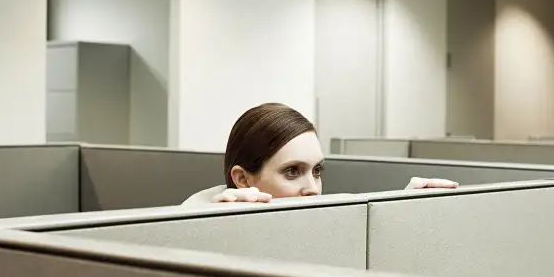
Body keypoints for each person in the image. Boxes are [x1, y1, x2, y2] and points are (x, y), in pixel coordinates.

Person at [183, 103, 458, 205]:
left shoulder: (323, 231)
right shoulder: (197, 227)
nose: (313, 189)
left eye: (317, 171)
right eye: (292, 172)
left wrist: (399, 209)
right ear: (243, 180)